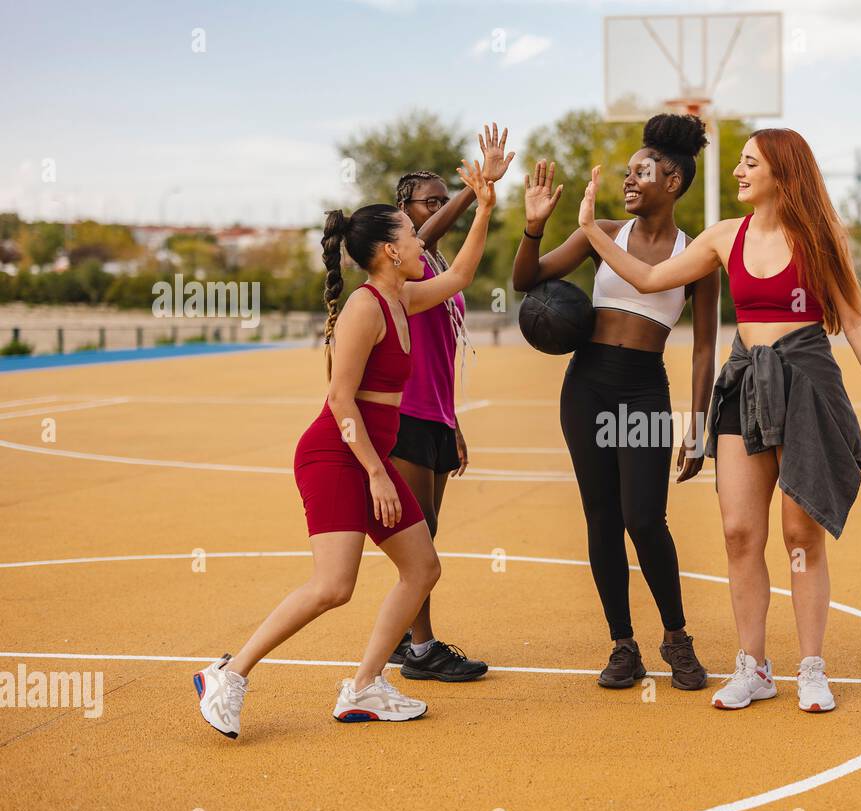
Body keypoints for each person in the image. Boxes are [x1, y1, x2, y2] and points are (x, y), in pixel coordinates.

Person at [576, 127, 861, 713]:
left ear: (783, 171)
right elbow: (650, 279)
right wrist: (590, 231)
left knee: (801, 535)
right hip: (745, 382)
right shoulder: (725, 237)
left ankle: (811, 667)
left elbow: (855, 321)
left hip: (806, 383)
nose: (738, 173)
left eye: (750, 163)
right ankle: (753, 667)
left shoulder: (820, 238)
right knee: (739, 533)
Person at [193, 160, 497, 739]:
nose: (419, 241)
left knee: (422, 568)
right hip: (336, 455)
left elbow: (458, 277)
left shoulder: (403, 299)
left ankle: (363, 688)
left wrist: (483, 206)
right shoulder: (365, 307)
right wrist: (377, 476)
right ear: (387, 249)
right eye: (409, 236)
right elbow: (339, 400)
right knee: (334, 586)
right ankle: (226, 674)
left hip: (369, 458)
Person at [512, 114, 720, 691]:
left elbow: (706, 347)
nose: (628, 181)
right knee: (601, 517)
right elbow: (525, 280)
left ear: (672, 181)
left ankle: (677, 638)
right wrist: (534, 228)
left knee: (644, 518)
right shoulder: (600, 231)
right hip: (588, 383)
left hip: (642, 387)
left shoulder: (697, 254)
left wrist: (699, 426)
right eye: (626, 173)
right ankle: (622, 644)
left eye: (640, 172)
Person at [386, 123, 515, 682]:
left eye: (444, 197)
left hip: (434, 411)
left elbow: (439, 355)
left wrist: (453, 419)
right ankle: (420, 648)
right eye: (429, 201)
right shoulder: (403, 262)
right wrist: (476, 188)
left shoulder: (434, 265)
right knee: (420, 543)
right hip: (402, 414)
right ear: (404, 210)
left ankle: (401, 640)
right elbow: (437, 233)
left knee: (427, 533)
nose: (437, 207)